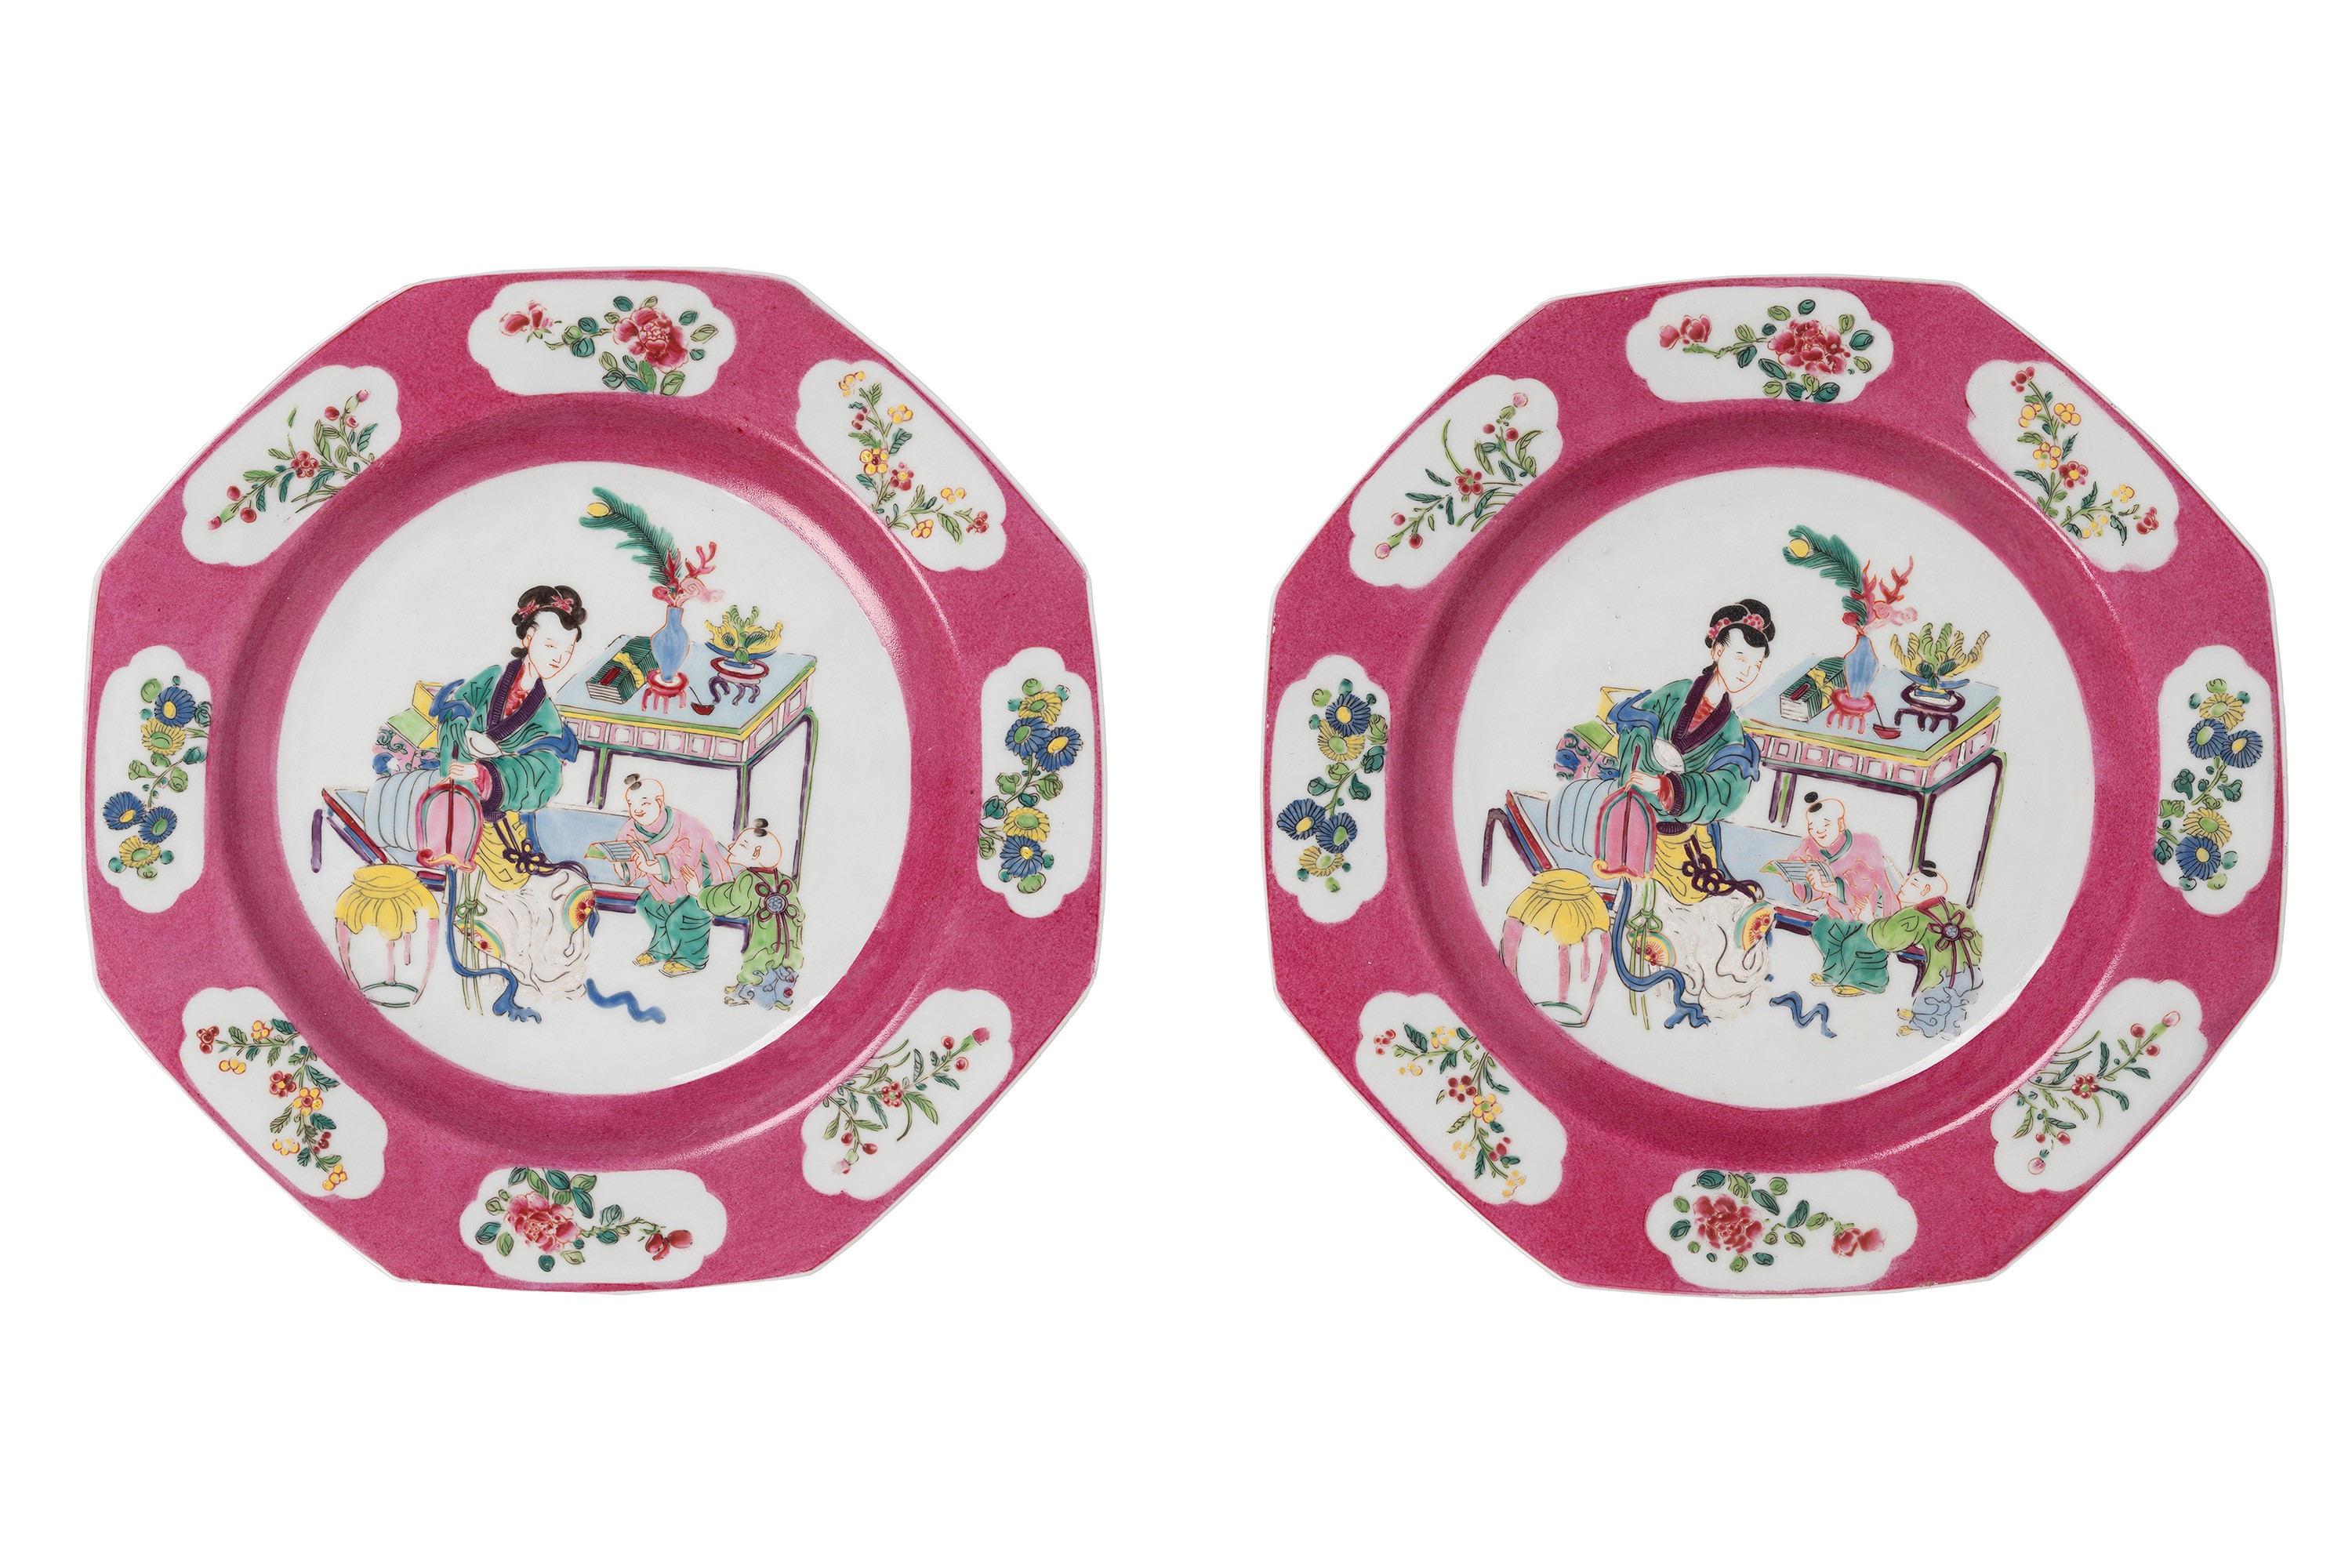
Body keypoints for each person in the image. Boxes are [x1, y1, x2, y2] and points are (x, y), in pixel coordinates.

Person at [1809, 859, 1984, 999]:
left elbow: (1886, 937)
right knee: (1829, 927)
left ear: (1925, 891)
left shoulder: (1917, 915)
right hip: (1881, 928)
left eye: (1912, 884)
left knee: (1856, 941)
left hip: (1892, 940)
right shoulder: (1952, 910)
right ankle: (1833, 973)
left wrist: (1869, 918)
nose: (1904, 885)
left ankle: (1868, 982)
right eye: (1907, 881)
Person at [613, 773, 729, 977]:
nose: (637, 809)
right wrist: (621, 866)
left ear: (659, 802)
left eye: (645, 803)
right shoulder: (630, 829)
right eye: (631, 804)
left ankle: (690, 959)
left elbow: (685, 857)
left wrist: (654, 867)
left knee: (683, 918)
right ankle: (662, 949)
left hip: (697, 885)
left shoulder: (685, 823)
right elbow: (628, 857)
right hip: (663, 887)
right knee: (648, 905)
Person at [701, 817, 806, 1011]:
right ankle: (761, 991)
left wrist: (702, 895)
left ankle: (746, 993)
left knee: (757, 959)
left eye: (741, 845)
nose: (732, 846)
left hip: (764, 938)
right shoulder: (783, 880)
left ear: (756, 853)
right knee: (775, 962)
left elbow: (731, 901)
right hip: (787, 941)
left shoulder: (750, 879)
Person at [1777, 792, 1900, 920]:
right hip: (1835, 918)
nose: (1819, 831)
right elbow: (1804, 890)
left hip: (1874, 916)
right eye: (1812, 827)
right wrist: (1798, 874)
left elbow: (1863, 896)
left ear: (1841, 825)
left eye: (1826, 825)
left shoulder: (1865, 844)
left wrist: (1826, 887)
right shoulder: (1810, 846)